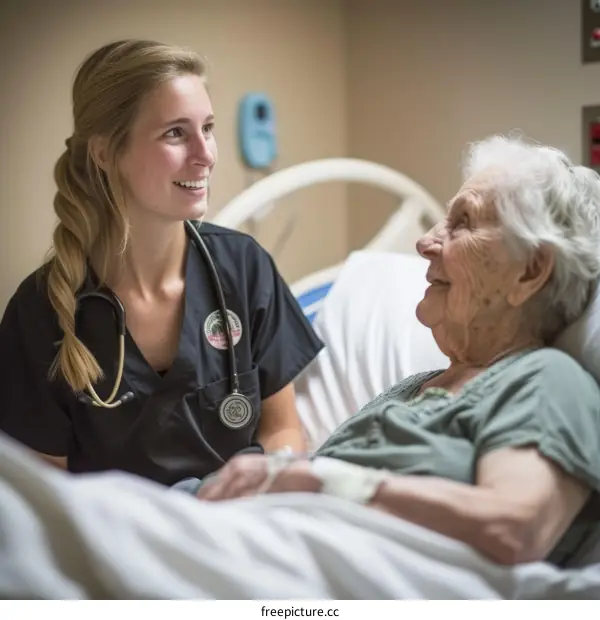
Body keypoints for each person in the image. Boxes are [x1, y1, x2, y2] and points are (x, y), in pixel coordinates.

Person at [185, 134, 600, 568]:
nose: (425, 242)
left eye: (463, 222)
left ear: (530, 271)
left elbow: (515, 527)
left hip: (272, 565)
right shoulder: (412, 389)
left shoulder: (545, 380)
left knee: (106, 513)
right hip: (221, 530)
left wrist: (316, 481)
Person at [0, 39, 323, 487]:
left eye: (207, 128)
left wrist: (262, 491)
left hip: (243, 527)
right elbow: (44, 493)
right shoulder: (41, 312)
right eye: (175, 133)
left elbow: (282, 429)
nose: (206, 154)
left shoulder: (243, 268)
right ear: (104, 152)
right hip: (125, 542)